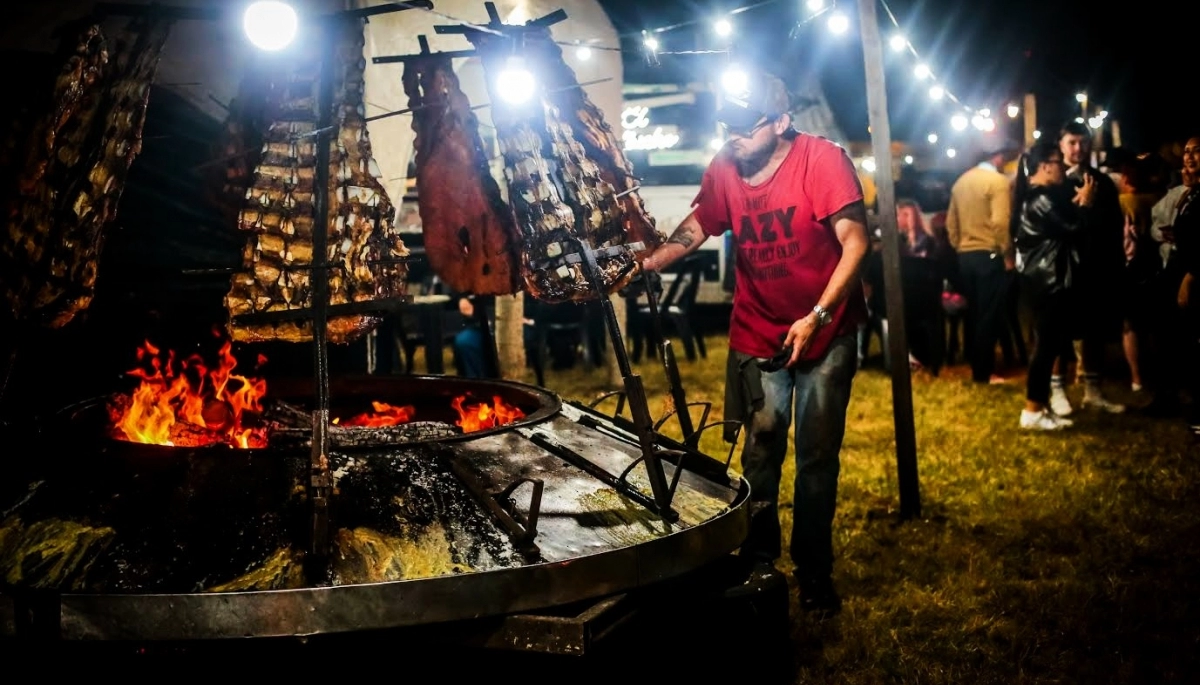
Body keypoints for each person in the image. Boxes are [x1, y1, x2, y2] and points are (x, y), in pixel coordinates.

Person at [640, 67, 869, 617]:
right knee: (761, 448)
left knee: (816, 455)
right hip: (758, 328)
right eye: (726, 123)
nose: (732, 134)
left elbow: (856, 242)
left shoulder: (822, 160)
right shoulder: (726, 165)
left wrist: (816, 315)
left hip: (825, 329)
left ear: (781, 122)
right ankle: (759, 559)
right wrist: (650, 261)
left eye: (744, 124)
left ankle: (815, 572)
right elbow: (700, 223)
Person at [1049, 122, 1127, 415]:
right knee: (1060, 332)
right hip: (1063, 267)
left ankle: (1093, 390)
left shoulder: (1102, 181)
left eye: (1082, 142)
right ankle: (1058, 389)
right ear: (1061, 144)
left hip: (1095, 267)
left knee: (1093, 331)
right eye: (1071, 142)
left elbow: (1112, 227)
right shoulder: (1053, 181)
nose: (1077, 149)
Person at [1011, 141, 1089, 430]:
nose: (1064, 169)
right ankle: (1032, 410)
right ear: (1045, 166)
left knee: (1050, 345)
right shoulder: (1041, 198)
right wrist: (1086, 203)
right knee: (1045, 348)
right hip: (1048, 282)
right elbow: (1074, 229)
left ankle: (1040, 407)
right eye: (1059, 163)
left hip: (1044, 282)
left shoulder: (1034, 197)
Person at [946, 143, 1017, 384]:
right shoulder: (998, 182)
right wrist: (1007, 252)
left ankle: (975, 364)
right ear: (998, 157)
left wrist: (959, 246)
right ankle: (983, 372)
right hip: (989, 253)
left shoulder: (960, 182)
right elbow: (1000, 222)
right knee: (989, 316)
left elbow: (950, 224)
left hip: (965, 256)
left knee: (973, 313)